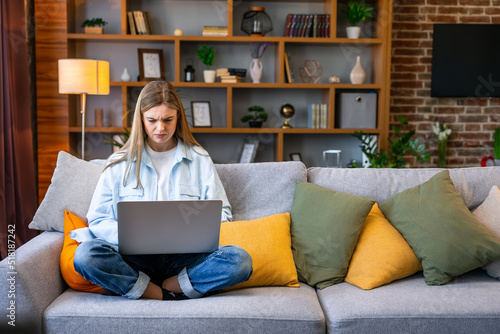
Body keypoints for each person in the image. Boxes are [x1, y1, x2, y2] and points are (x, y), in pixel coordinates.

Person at [72, 81, 252, 300]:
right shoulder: (119, 162)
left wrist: (194, 230)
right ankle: (157, 292)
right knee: (85, 256)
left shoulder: (199, 159)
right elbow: (98, 219)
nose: (160, 128)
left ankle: (172, 285)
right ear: (141, 120)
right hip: (133, 258)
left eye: (168, 120)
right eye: (152, 120)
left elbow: (222, 213)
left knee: (240, 260)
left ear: (178, 118)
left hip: (185, 259)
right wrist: (133, 236)